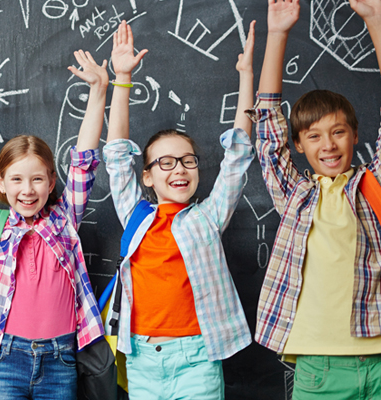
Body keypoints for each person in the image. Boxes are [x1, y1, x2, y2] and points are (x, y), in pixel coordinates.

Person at [250, 0, 381, 398]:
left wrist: (376, 21)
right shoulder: (295, 196)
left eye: (338, 132)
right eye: (313, 136)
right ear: (298, 145)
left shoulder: (377, 187)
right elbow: (268, 130)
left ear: (355, 135)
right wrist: (277, 35)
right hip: (319, 368)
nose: (328, 145)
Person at [0, 49, 108, 399]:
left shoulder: (64, 220)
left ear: (50, 181)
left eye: (37, 180)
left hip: (61, 357)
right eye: (16, 180)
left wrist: (98, 92)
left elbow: (84, 162)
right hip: (4, 358)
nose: (27, 190)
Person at [102, 21, 255, 399]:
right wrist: (122, 78)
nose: (180, 169)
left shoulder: (207, 217)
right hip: (141, 356)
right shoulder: (136, 218)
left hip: (199, 356)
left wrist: (247, 75)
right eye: (165, 163)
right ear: (148, 177)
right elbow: (118, 156)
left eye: (187, 161)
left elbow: (237, 157)